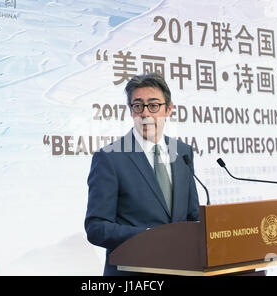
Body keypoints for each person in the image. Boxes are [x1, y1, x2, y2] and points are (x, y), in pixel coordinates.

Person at [84, 73, 200, 276]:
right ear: (131, 110)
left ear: (168, 109)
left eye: (153, 105)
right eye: (138, 106)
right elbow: (96, 228)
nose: (145, 113)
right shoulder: (110, 158)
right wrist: (147, 236)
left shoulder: (183, 153)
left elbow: (192, 217)